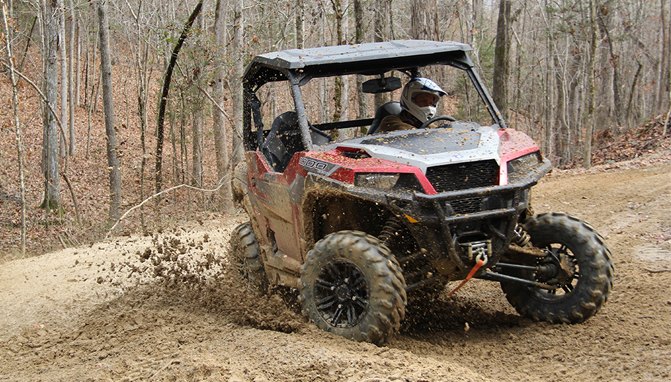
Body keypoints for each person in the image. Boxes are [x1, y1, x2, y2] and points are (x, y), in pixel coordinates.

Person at [378, 77, 447, 133]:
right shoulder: (390, 121)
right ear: (410, 99)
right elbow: (403, 130)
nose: (428, 106)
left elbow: (438, 134)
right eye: (423, 101)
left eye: (431, 103)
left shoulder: (427, 124)